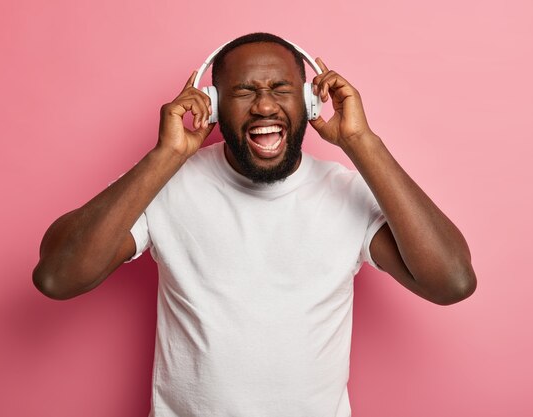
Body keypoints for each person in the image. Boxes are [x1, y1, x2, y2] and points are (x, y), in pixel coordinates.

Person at [33, 32, 476, 417]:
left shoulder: (346, 192)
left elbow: (452, 281)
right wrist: (166, 156)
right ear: (212, 104)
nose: (265, 105)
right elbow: (57, 275)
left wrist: (361, 142)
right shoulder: (163, 185)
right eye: (244, 91)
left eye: (281, 88)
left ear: (309, 100)